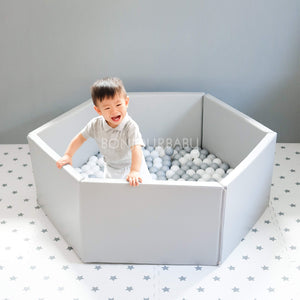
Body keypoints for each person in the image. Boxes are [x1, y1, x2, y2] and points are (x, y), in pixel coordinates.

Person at [56, 77, 151, 187]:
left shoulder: (130, 126)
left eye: (118, 105)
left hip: (132, 164)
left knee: (143, 188)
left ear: (126, 102)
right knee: (112, 193)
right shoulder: (95, 124)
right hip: (111, 167)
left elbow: (136, 149)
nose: (114, 111)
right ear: (98, 110)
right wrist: (68, 155)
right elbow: (80, 138)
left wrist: (134, 171)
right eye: (107, 108)